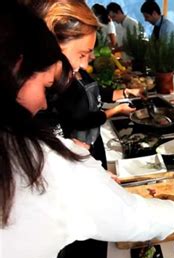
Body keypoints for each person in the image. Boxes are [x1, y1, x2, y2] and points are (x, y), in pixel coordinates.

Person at [0, 5, 174, 258]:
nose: (84, 64)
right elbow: (131, 219)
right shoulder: (38, 161)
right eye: (44, 85)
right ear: (18, 66)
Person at [38, 1, 143, 169]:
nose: (86, 63)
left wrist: (124, 92)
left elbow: (98, 92)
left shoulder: (76, 74)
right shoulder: (48, 99)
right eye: (82, 54)